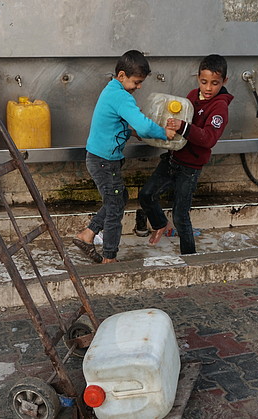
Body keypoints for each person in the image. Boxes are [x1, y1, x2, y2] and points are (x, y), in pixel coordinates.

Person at [73, 50, 176, 264]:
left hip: (100, 158)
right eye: (136, 82)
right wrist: (163, 133)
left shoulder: (112, 90)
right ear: (121, 76)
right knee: (114, 208)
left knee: (119, 199)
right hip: (104, 162)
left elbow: (111, 124)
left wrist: (131, 132)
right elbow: (143, 124)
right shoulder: (121, 96)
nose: (138, 87)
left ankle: (88, 234)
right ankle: (109, 258)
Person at [139, 54, 234, 255]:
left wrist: (184, 127)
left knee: (181, 215)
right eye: (204, 82)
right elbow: (176, 118)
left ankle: (190, 257)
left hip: (190, 168)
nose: (208, 88)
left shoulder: (219, 107)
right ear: (197, 78)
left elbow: (209, 138)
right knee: (146, 194)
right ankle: (160, 223)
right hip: (172, 158)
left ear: (224, 81)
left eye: (215, 83)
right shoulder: (191, 96)